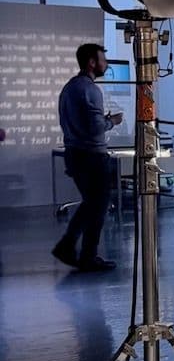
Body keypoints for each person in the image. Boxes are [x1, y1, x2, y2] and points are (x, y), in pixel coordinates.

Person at [52, 44, 123, 272]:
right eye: (103, 59)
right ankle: (85, 255)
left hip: (74, 154)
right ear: (92, 62)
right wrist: (112, 122)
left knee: (92, 204)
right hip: (91, 157)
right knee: (98, 205)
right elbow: (94, 129)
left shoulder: (69, 88)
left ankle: (71, 247)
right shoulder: (91, 90)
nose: (107, 64)